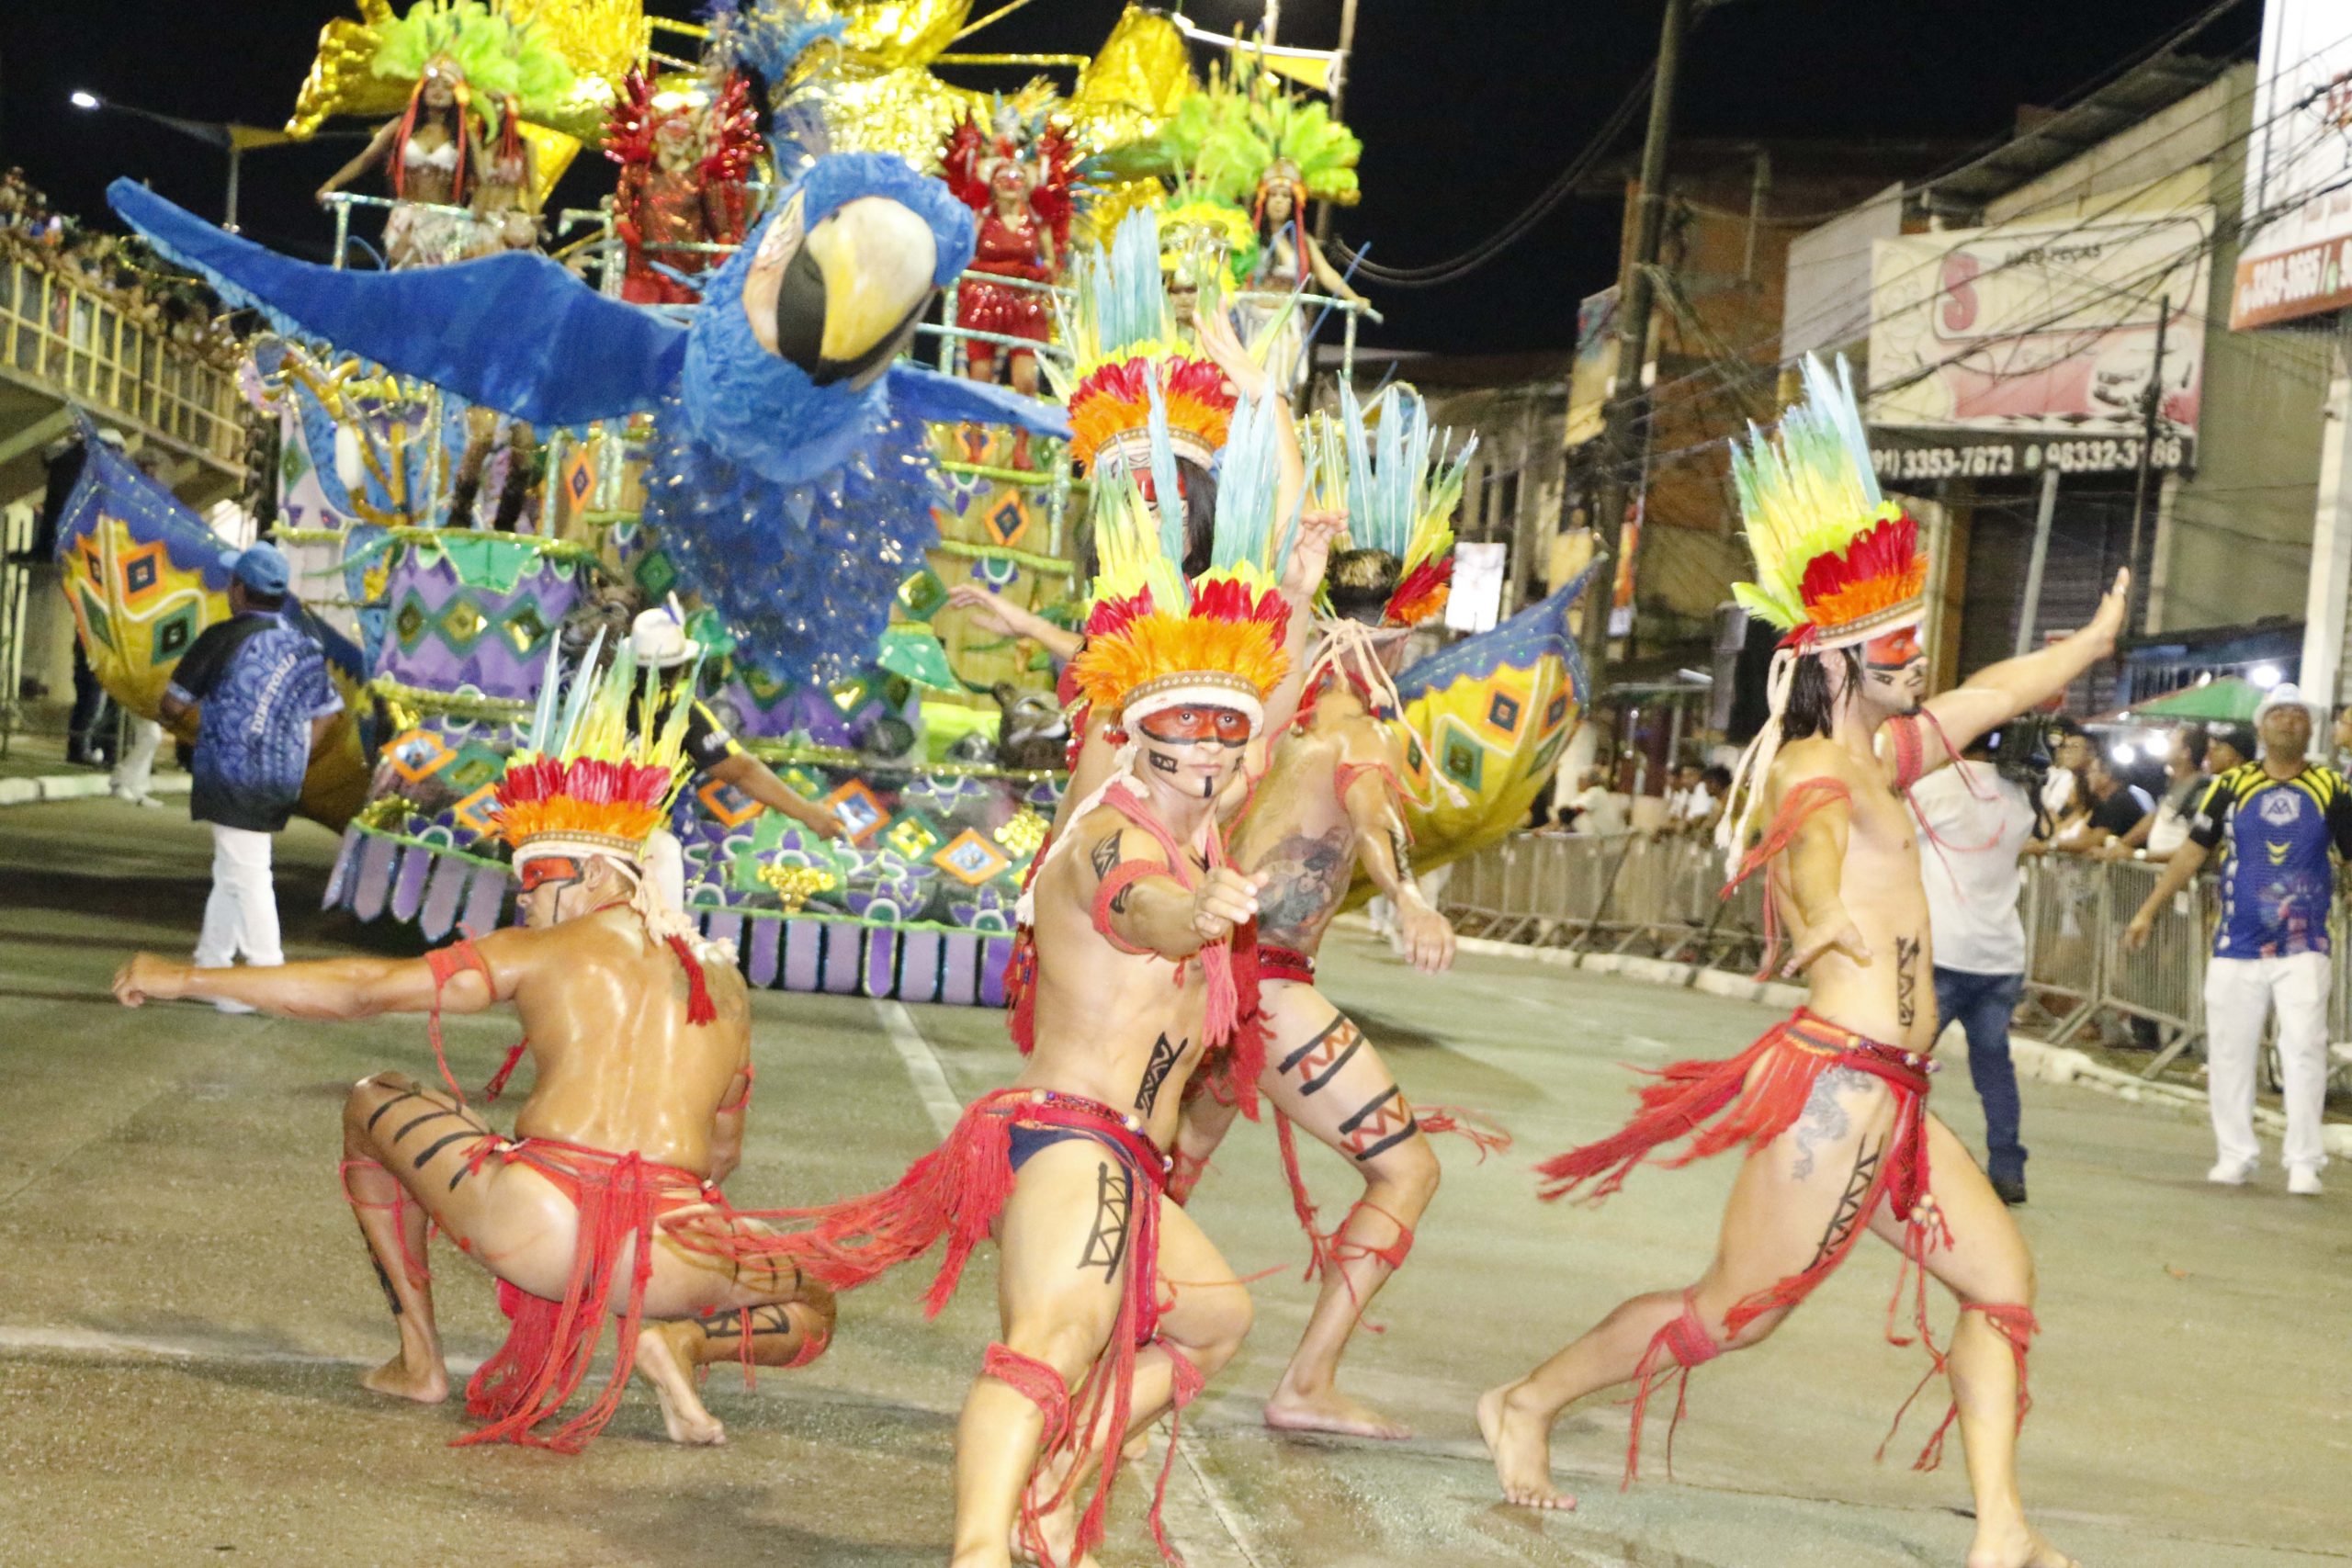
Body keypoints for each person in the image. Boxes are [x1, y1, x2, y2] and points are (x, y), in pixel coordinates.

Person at [1480, 358, 2117, 1568]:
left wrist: (2087, 637)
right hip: (1836, 1084)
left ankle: (2003, 1527)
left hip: (1902, 1097)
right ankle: (1527, 1399)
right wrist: (1819, 915)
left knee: (2002, 1280)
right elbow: (1813, 848)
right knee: (1728, 1312)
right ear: (1830, 659)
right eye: (1892, 650)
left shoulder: (1892, 753)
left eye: (1914, 646)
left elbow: (1992, 691)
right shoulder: (1817, 769)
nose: (1915, 665)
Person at [747, 441, 1295, 1568]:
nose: (1212, 749)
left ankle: (1053, 1498)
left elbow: (1268, 712)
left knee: (1214, 1319)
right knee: (1050, 1347)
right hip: (1068, 1138)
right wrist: (1191, 924)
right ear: (1137, 740)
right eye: (1186, 729)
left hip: (1123, 1160)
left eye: (1227, 731)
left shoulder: (1200, 835)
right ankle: (982, 1550)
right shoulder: (1107, 832)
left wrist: (1294, 557)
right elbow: (1135, 909)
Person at [113, 649, 834, 1449]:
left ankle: (419, 1359)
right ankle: (685, 1342)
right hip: (676, 1255)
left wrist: (184, 975)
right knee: (813, 1297)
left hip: (540, 1223)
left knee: (373, 1097)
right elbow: (720, 1158)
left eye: (539, 877)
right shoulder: (724, 982)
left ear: (601, 872)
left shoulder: (548, 950)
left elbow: (363, 990)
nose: (524, 897)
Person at [1167, 388, 1487, 1441]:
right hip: (1264, 985)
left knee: (1174, 1166)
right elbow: (1368, 808)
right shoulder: (1356, 731)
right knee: (1408, 1167)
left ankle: (1114, 1335)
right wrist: (1406, 897)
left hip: (1207, 975)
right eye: (1412, 636)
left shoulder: (1272, 707)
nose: (1412, 655)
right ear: (1389, 642)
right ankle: (1304, 1381)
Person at [2124, 682, 2352, 1196]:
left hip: (2305, 942)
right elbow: (2192, 853)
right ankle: (2235, 1153)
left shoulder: (2333, 789)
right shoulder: (2229, 786)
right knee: (2229, 1049)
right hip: (2237, 942)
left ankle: (2304, 1161)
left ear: (2311, 727)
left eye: (2299, 715)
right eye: (2279, 715)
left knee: (2304, 1049)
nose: (2290, 723)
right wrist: (2147, 911)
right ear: (2262, 726)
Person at [156, 544, 342, 1013]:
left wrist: (201, 731)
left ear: (238, 591)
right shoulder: (305, 644)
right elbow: (329, 713)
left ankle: (266, 977)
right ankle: (212, 965)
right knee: (233, 871)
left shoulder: (221, 639)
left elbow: (172, 705)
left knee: (250, 874)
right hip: (280, 779)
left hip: (232, 776)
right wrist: (298, 754)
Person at [626, 606, 843, 911]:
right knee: (665, 927)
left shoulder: (595, 702)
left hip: (583, 839)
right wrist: (808, 812)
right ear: (680, 669)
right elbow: (742, 772)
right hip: (647, 847)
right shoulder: (681, 713)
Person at [1910, 737, 2041, 1205]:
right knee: (1993, 1066)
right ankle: (2007, 1167)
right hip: (2000, 954)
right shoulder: (2021, 797)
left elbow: (1894, 840)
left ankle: (1891, 1153)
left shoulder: (1934, 790)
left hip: (1945, 951)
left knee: (1903, 1060)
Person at [2103, 728, 2205, 862]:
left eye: (2172, 740)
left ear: (2185, 753)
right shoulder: (2173, 784)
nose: (2166, 744)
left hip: (2179, 877)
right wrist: (2120, 846)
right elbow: (2154, 820)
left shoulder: (2200, 790)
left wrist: (2136, 854)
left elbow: (2195, 848)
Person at [2055, 749, 2150, 854]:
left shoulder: (2120, 800)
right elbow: (2084, 836)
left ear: (2106, 776)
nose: (2088, 776)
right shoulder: (2101, 805)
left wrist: (2052, 845)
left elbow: (2092, 842)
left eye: (2092, 771)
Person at [1566, 765, 1631, 836]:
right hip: (1609, 836)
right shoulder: (1599, 792)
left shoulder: (1595, 792)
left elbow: (1576, 810)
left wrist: (1561, 819)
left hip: (1606, 837)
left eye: (1581, 780)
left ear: (1589, 782)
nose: (1578, 783)